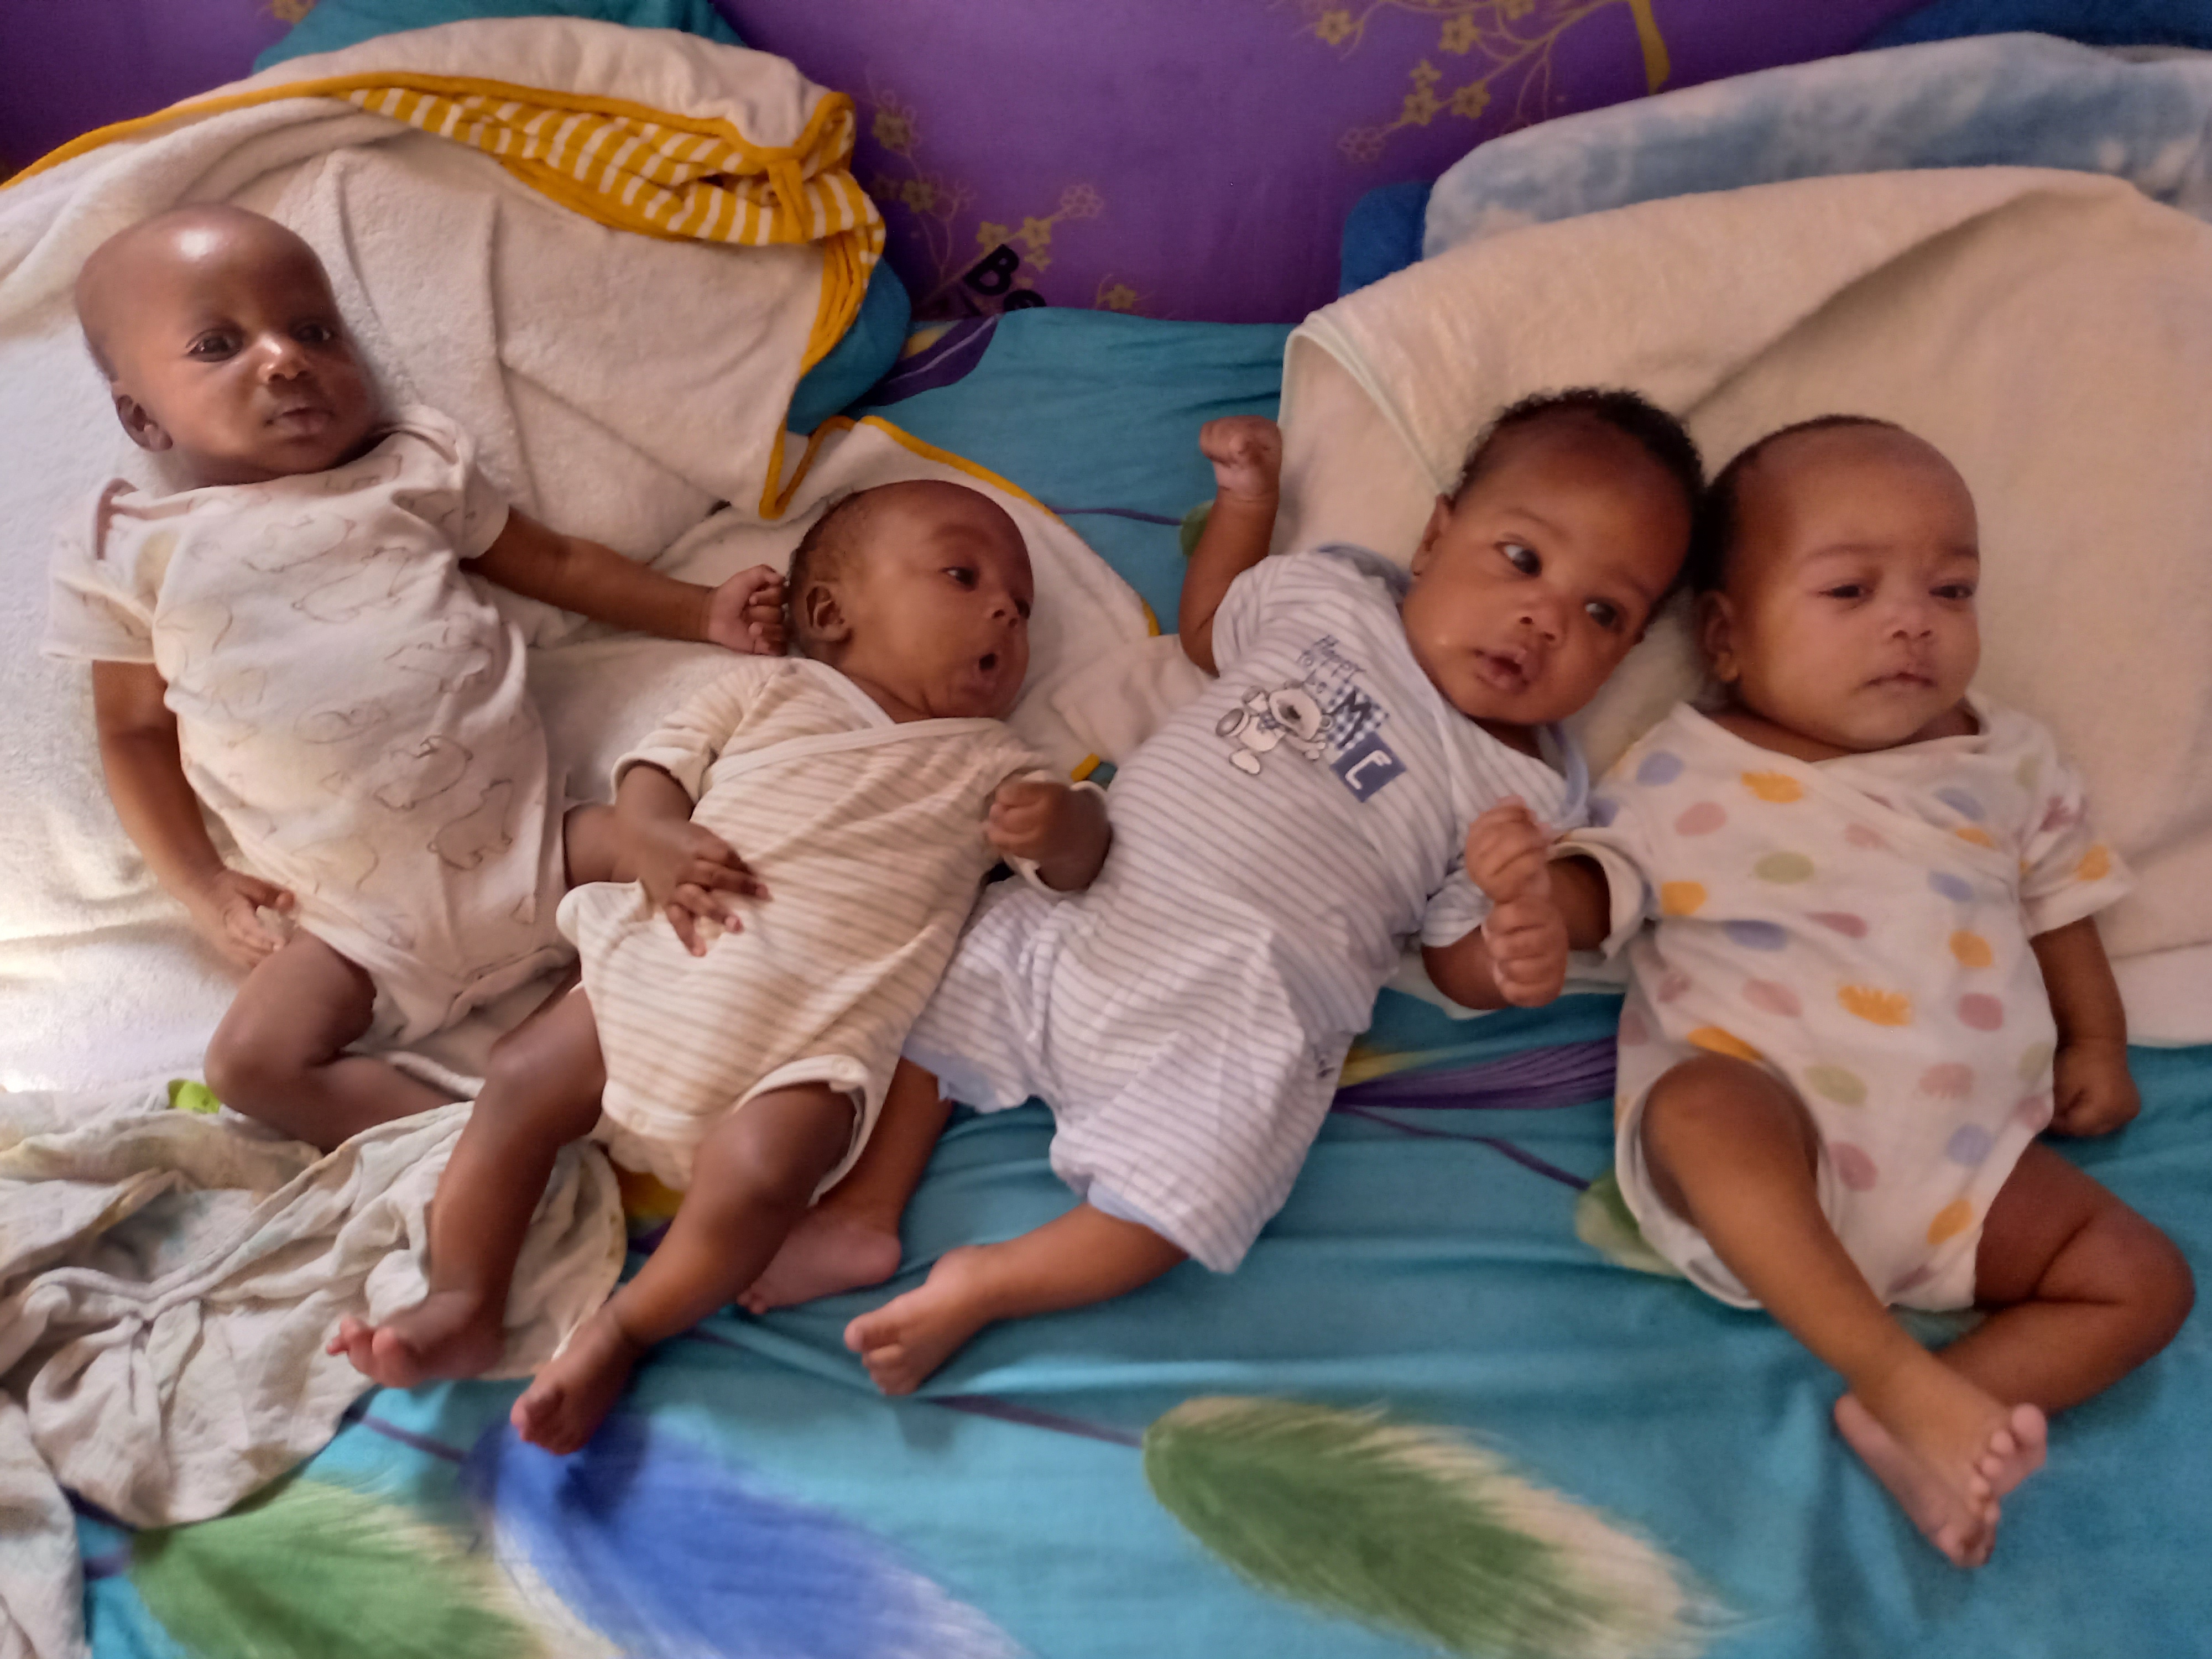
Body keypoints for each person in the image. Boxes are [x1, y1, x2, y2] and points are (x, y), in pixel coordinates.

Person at [823, 390, 1703, 1392]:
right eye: (1523, 559)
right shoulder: (1331, 599)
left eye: (1603, 613)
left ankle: (989, 1283)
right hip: (1101, 899)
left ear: (1629, 652)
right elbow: (1208, 630)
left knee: (1184, 1203)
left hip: (1245, 1013)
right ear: (1434, 537)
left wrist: (1519, 932)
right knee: (936, 1000)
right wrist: (1248, 504)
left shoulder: (1523, 791)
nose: (1545, 620)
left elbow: (1455, 959)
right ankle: (865, 1206)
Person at [1470, 416, 2194, 1568]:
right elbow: (1604, 887)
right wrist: (1529, 903)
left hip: (1970, 1170)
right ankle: (1894, 1374)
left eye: (1950, 590)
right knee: (1698, 1105)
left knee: (2144, 1281)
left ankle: (1925, 1417)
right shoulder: (1688, 765)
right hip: (1777, 1147)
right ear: (1725, 636)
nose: (1912, 621)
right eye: (1851, 591)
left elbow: (2058, 903)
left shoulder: (2003, 760)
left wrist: (2095, 1041)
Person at [332, 478, 1113, 1453]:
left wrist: (1065, 824)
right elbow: (654, 774)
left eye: (1021, 607)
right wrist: (657, 838)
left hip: (808, 1043)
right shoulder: (768, 690)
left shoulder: (995, 763)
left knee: (764, 1172)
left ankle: (626, 1329)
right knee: (522, 1076)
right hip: (659, 967)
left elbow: (1075, 867)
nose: (1005, 610)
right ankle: (463, 1297)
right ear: (831, 612)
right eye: (964, 576)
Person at [45, 204, 785, 1149]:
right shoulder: (129, 548)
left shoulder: (407, 470)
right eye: (218, 346)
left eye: (314, 331)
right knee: (249, 1067)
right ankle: (476, 1146)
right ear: (141, 416)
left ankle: (608, 1041)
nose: (285, 360)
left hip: (541, 848)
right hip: (353, 926)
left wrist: (699, 610)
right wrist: (202, 885)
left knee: (700, 864)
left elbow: (556, 564)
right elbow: (133, 733)